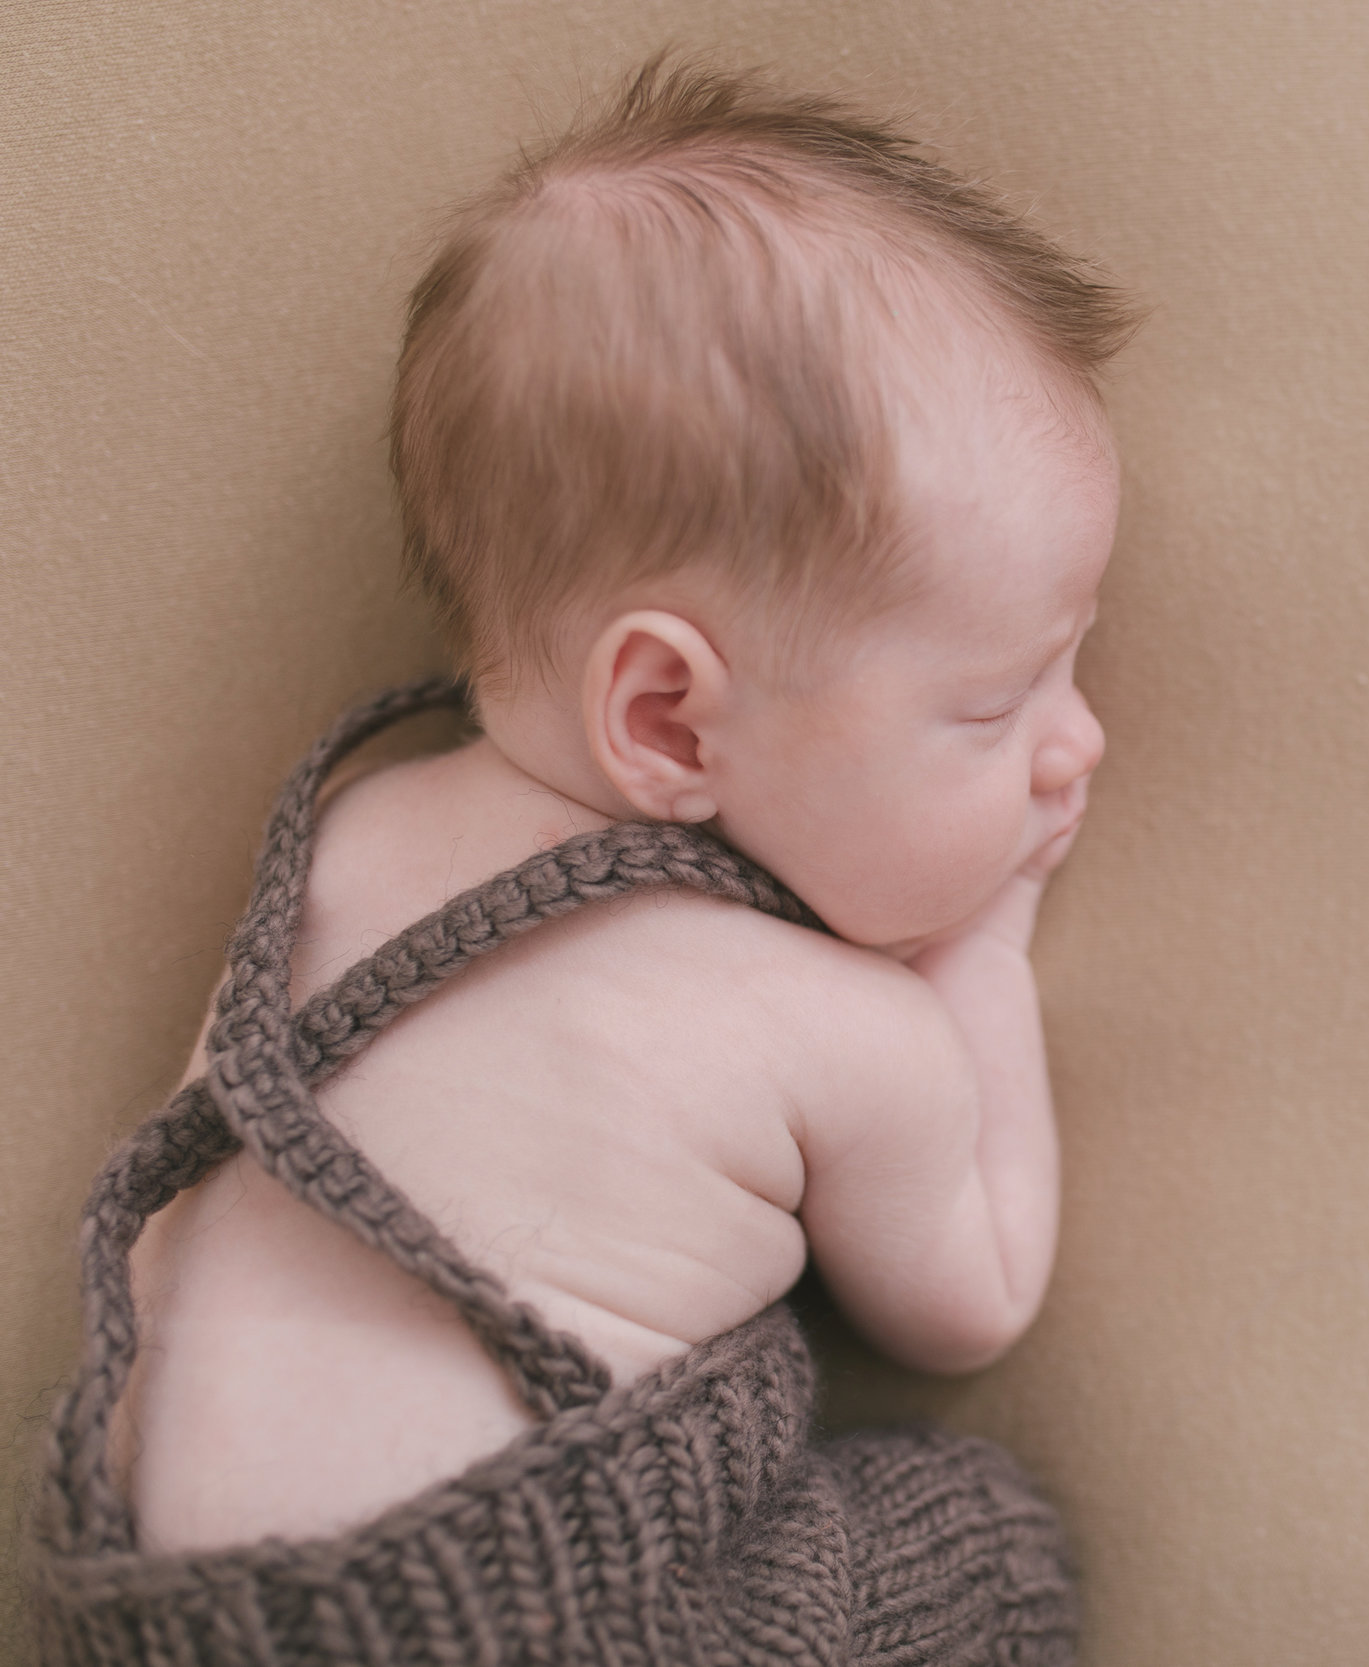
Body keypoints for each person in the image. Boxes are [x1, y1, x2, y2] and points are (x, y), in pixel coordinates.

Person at [28, 54, 1135, 1665]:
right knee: (990, 1543)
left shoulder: (360, 831)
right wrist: (987, 943)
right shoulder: (844, 1034)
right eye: (994, 703)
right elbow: (974, 1301)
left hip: (143, 1612)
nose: (1077, 741)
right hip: (520, 1622)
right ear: (671, 720)